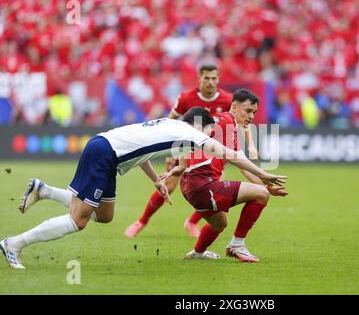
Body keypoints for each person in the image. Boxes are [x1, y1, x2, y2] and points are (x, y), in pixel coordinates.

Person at [1, 107, 285, 269]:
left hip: (106, 150)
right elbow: (230, 154)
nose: (208, 137)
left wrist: (158, 182)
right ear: (202, 126)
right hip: (104, 154)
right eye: (209, 132)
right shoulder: (188, 132)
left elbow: (140, 155)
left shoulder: (168, 125)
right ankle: (14, 244)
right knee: (80, 220)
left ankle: (44, 190)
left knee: (105, 215)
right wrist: (263, 174)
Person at [124, 65, 259, 238]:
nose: (211, 82)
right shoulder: (186, 97)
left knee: (216, 184)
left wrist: (251, 145)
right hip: (186, 149)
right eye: (207, 78)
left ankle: (192, 222)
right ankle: (141, 221)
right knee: (169, 184)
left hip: (212, 152)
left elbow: (242, 121)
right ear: (199, 79)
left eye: (214, 78)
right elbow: (171, 120)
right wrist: (173, 151)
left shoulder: (227, 100)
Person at [163, 89, 288, 262]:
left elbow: (242, 164)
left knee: (219, 223)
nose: (251, 116)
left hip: (190, 186)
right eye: (248, 111)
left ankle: (197, 253)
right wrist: (264, 180)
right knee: (261, 195)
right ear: (235, 107)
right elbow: (238, 160)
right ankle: (237, 245)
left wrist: (265, 184)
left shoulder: (224, 123)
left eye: (254, 112)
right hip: (202, 186)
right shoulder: (227, 123)